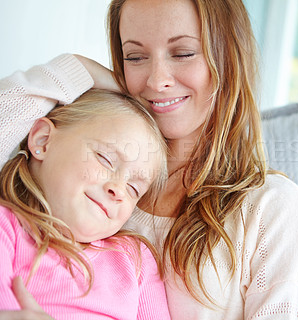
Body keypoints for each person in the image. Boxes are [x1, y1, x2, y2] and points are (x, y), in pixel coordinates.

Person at [0, 0, 298, 319]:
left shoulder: (274, 208)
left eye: (182, 53)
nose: (156, 81)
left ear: (227, 57)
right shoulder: (77, 177)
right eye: (135, 57)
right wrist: (77, 69)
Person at [0, 88, 171, 320]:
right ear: (43, 140)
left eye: (134, 189)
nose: (119, 189)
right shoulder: (6, 228)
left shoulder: (135, 259)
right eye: (105, 159)